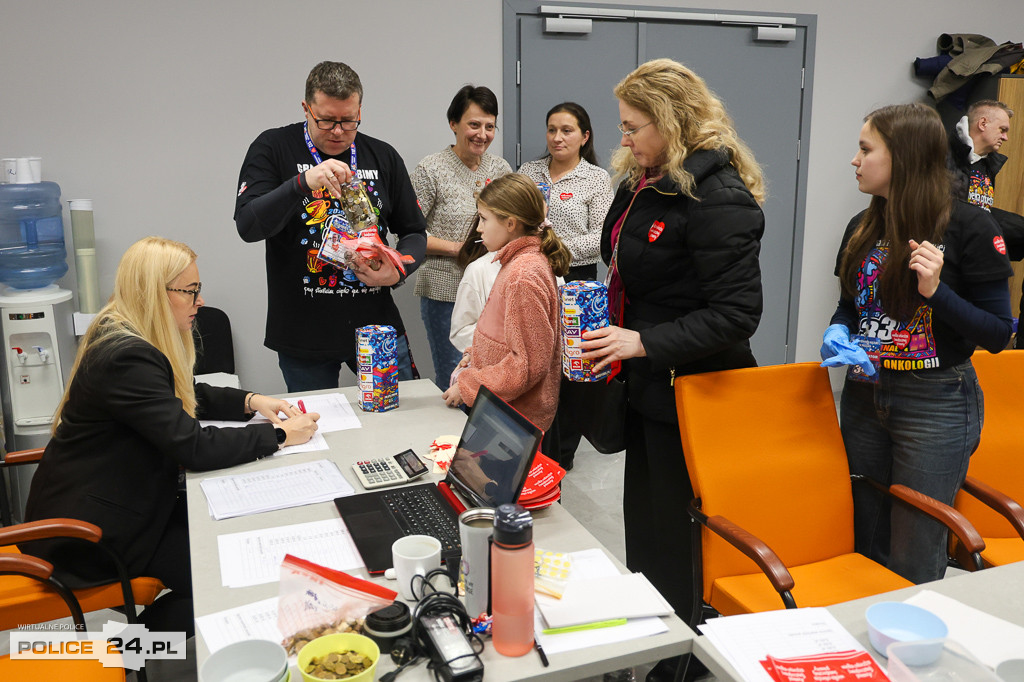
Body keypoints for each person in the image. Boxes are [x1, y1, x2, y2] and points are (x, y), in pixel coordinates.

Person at [21, 237, 321, 638]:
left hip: (122, 501)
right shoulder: (124, 355)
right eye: (191, 292)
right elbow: (193, 446)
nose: (199, 302)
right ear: (154, 293)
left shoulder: (124, 331)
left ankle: (132, 651)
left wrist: (250, 400)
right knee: (226, 586)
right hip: (91, 536)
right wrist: (280, 436)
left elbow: (178, 392)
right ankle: (124, 654)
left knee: (234, 550)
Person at [580, 58, 765, 681]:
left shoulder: (719, 197)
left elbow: (737, 315)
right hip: (649, 386)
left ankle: (688, 660)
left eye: (634, 127)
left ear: (672, 122)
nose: (624, 140)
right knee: (649, 530)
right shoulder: (645, 182)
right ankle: (654, 643)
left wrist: (643, 341)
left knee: (684, 539)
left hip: (696, 391)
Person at [822, 102, 1013, 585]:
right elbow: (852, 304)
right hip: (866, 396)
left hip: (936, 402)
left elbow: (997, 333)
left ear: (902, 158)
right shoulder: (863, 226)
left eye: (866, 150)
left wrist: (936, 292)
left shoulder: (968, 226)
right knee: (862, 533)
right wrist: (839, 330)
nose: (855, 160)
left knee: (914, 546)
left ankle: (905, 655)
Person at [234, 61, 427, 392]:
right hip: (303, 330)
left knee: (399, 414)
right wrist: (301, 183)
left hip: (375, 323)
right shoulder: (272, 148)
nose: (338, 131)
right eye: (326, 120)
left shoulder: (382, 156)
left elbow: (414, 233)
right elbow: (248, 225)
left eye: (349, 121)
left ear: (360, 111)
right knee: (321, 432)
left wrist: (399, 270)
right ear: (306, 108)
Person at [442, 174, 570, 432]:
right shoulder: (515, 263)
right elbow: (504, 338)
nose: (478, 228)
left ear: (510, 223)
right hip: (504, 410)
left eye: (484, 219)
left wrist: (469, 386)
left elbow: (527, 366)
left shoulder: (522, 276)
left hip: (515, 420)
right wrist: (475, 355)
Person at [411, 85, 512, 392]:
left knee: (496, 378)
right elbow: (410, 234)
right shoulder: (431, 169)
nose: (482, 134)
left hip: (495, 292)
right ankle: (453, 441)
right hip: (446, 292)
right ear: (454, 123)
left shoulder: (501, 169)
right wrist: (460, 249)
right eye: (473, 124)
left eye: (489, 126)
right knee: (455, 379)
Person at [947, 99, 1024, 346]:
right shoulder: (945, 155)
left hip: (976, 241)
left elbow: (983, 210)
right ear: (982, 123)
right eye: (1002, 130)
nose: (1006, 137)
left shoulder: (986, 163)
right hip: (950, 250)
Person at [518, 102, 614, 281]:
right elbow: (512, 219)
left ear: (585, 137)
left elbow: (601, 237)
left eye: (566, 131)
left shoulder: (596, 178)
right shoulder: (528, 172)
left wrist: (553, 248)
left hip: (575, 275)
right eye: (552, 130)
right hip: (529, 270)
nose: (557, 138)